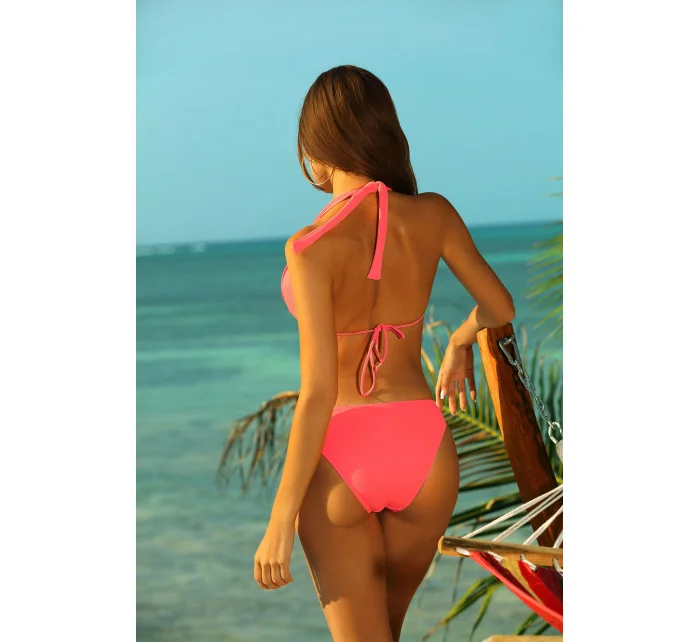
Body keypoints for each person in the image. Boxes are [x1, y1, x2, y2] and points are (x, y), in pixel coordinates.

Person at [253, 65, 516, 641]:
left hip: (342, 455)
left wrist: (279, 518)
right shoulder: (434, 214)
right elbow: (500, 307)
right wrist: (461, 338)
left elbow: (318, 393)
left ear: (316, 147)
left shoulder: (310, 247)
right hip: (425, 452)